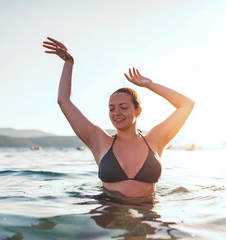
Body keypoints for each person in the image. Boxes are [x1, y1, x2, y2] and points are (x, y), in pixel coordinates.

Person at [43, 37, 194, 197]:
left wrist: (150, 85)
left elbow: (186, 104)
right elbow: (64, 101)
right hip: (108, 215)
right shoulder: (98, 140)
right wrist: (69, 63)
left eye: (123, 107)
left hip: (148, 216)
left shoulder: (156, 138)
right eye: (111, 108)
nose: (116, 113)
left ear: (138, 111)